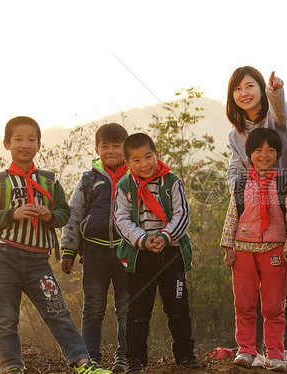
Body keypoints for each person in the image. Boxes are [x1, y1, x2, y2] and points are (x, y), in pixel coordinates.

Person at [0, 116, 112, 374]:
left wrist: (50, 216)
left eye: (31, 139)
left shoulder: (49, 181)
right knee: (5, 318)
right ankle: (11, 368)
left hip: (38, 261)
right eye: (18, 139)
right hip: (4, 255)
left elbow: (65, 213)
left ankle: (83, 364)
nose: (25, 144)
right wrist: (11, 214)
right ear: (7, 143)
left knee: (57, 310)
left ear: (39, 144)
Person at [226, 66, 287, 369]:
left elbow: (280, 110)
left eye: (250, 86)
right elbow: (236, 167)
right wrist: (239, 194)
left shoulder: (276, 119)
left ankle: (286, 349)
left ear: (260, 89)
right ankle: (255, 350)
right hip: (257, 213)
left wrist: (276, 91)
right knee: (254, 285)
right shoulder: (236, 134)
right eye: (238, 89)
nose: (244, 93)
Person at [113, 133, 199, 373]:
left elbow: (182, 215)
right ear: (127, 164)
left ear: (157, 155)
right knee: (138, 311)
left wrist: (165, 237)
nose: (144, 164)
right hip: (140, 256)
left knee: (178, 308)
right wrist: (142, 239)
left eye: (148, 157)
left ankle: (185, 355)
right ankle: (136, 359)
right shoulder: (124, 187)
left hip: (171, 253)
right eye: (137, 160)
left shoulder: (172, 181)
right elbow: (120, 220)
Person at [60, 123, 130, 372]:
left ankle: (125, 356)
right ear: (97, 149)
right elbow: (73, 214)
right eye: (105, 146)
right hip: (94, 252)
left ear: (126, 148)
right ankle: (90, 358)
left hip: (127, 251)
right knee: (93, 307)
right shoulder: (89, 179)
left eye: (117, 145)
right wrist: (68, 250)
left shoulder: (134, 177)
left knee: (126, 307)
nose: (110, 150)